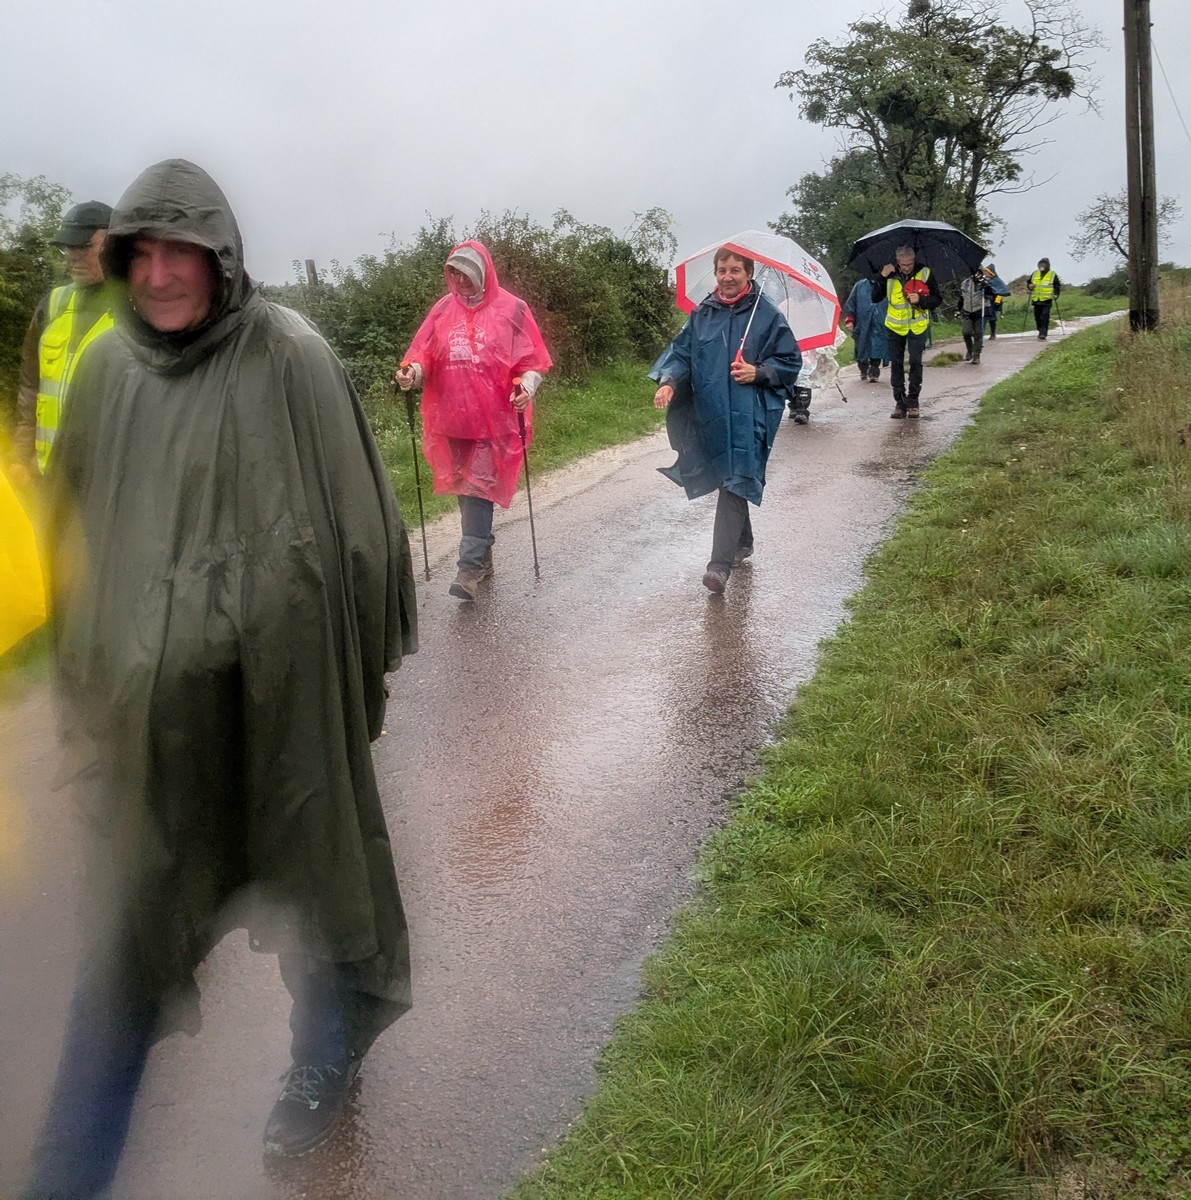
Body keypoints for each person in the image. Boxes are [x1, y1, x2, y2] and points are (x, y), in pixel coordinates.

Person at [20, 159, 418, 1198]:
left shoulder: (290, 356)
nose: (158, 275)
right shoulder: (105, 373)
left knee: (318, 873)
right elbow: (72, 538)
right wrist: (87, 688)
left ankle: (324, 1056)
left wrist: (348, 688)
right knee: (128, 939)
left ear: (221, 255)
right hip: (155, 720)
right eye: (140, 253)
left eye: (179, 252)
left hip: (283, 697)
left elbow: (362, 533)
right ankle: (67, 1176)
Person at [396, 241, 552, 602]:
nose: (461, 280)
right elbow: (424, 355)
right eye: (455, 273)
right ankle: (482, 553)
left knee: (477, 489)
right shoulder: (442, 310)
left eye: (468, 273)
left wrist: (526, 387)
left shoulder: (513, 309)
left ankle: (468, 568)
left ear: (483, 272)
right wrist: (412, 373)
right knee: (466, 492)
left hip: (493, 421)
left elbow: (533, 361)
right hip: (451, 419)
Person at [650, 248, 802, 594]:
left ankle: (718, 567)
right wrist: (670, 382)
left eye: (735, 270)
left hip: (751, 415)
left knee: (737, 476)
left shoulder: (767, 315)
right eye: (722, 270)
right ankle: (742, 541)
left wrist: (758, 372)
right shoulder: (702, 313)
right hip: (712, 411)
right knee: (728, 477)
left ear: (749, 273)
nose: (728, 277)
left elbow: (790, 362)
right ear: (715, 273)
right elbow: (682, 354)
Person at [10, 201, 116, 485]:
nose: (71, 257)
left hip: (103, 486)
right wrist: (21, 455)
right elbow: (30, 386)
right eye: (67, 248)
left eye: (83, 247)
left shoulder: (138, 311)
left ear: (115, 243)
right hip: (44, 478)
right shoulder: (53, 304)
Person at [872, 244, 942, 419]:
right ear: (897, 261)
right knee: (896, 364)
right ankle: (900, 402)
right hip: (894, 327)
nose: (906, 268)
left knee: (915, 362)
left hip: (917, 326)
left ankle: (913, 401)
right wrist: (882, 276)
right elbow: (875, 297)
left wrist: (921, 300)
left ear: (914, 260)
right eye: (903, 265)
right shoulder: (889, 273)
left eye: (910, 264)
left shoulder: (925, 272)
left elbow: (937, 299)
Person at [841, 276, 889, 383]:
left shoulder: (885, 285)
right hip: (862, 323)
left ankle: (874, 370)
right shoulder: (859, 286)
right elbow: (851, 303)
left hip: (879, 323)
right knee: (861, 347)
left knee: (877, 346)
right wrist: (849, 320)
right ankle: (863, 369)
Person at [957, 269, 993, 365]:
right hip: (967, 312)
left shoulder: (984, 283)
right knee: (966, 332)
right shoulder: (965, 283)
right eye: (974, 272)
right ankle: (970, 350)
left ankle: (976, 356)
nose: (976, 274)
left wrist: (986, 286)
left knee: (978, 333)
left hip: (980, 312)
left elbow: (991, 294)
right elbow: (962, 297)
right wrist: (958, 309)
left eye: (978, 272)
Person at [1028, 257, 1062, 340]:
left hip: (1047, 299)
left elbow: (1057, 286)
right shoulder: (1035, 273)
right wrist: (1030, 286)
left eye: (1043, 264)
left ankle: (1043, 333)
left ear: (1047, 265)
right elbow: (1029, 282)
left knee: (1044, 316)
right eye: (1040, 264)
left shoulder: (1052, 274)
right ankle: (1040, 329)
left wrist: (1056, 294)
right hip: (1036, 299)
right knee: (1037, 317)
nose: (1041, 266)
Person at [981, 263, 1008, 339]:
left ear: (990, 272)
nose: (986, 273)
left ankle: (993, 333)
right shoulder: (985, 280)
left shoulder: (997, 280)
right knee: (983, 317)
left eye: (987, 272)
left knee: (992, 318)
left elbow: (1002, 290)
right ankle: (981, 333)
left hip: (993, 301)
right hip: (985, 301)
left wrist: (997, 300)